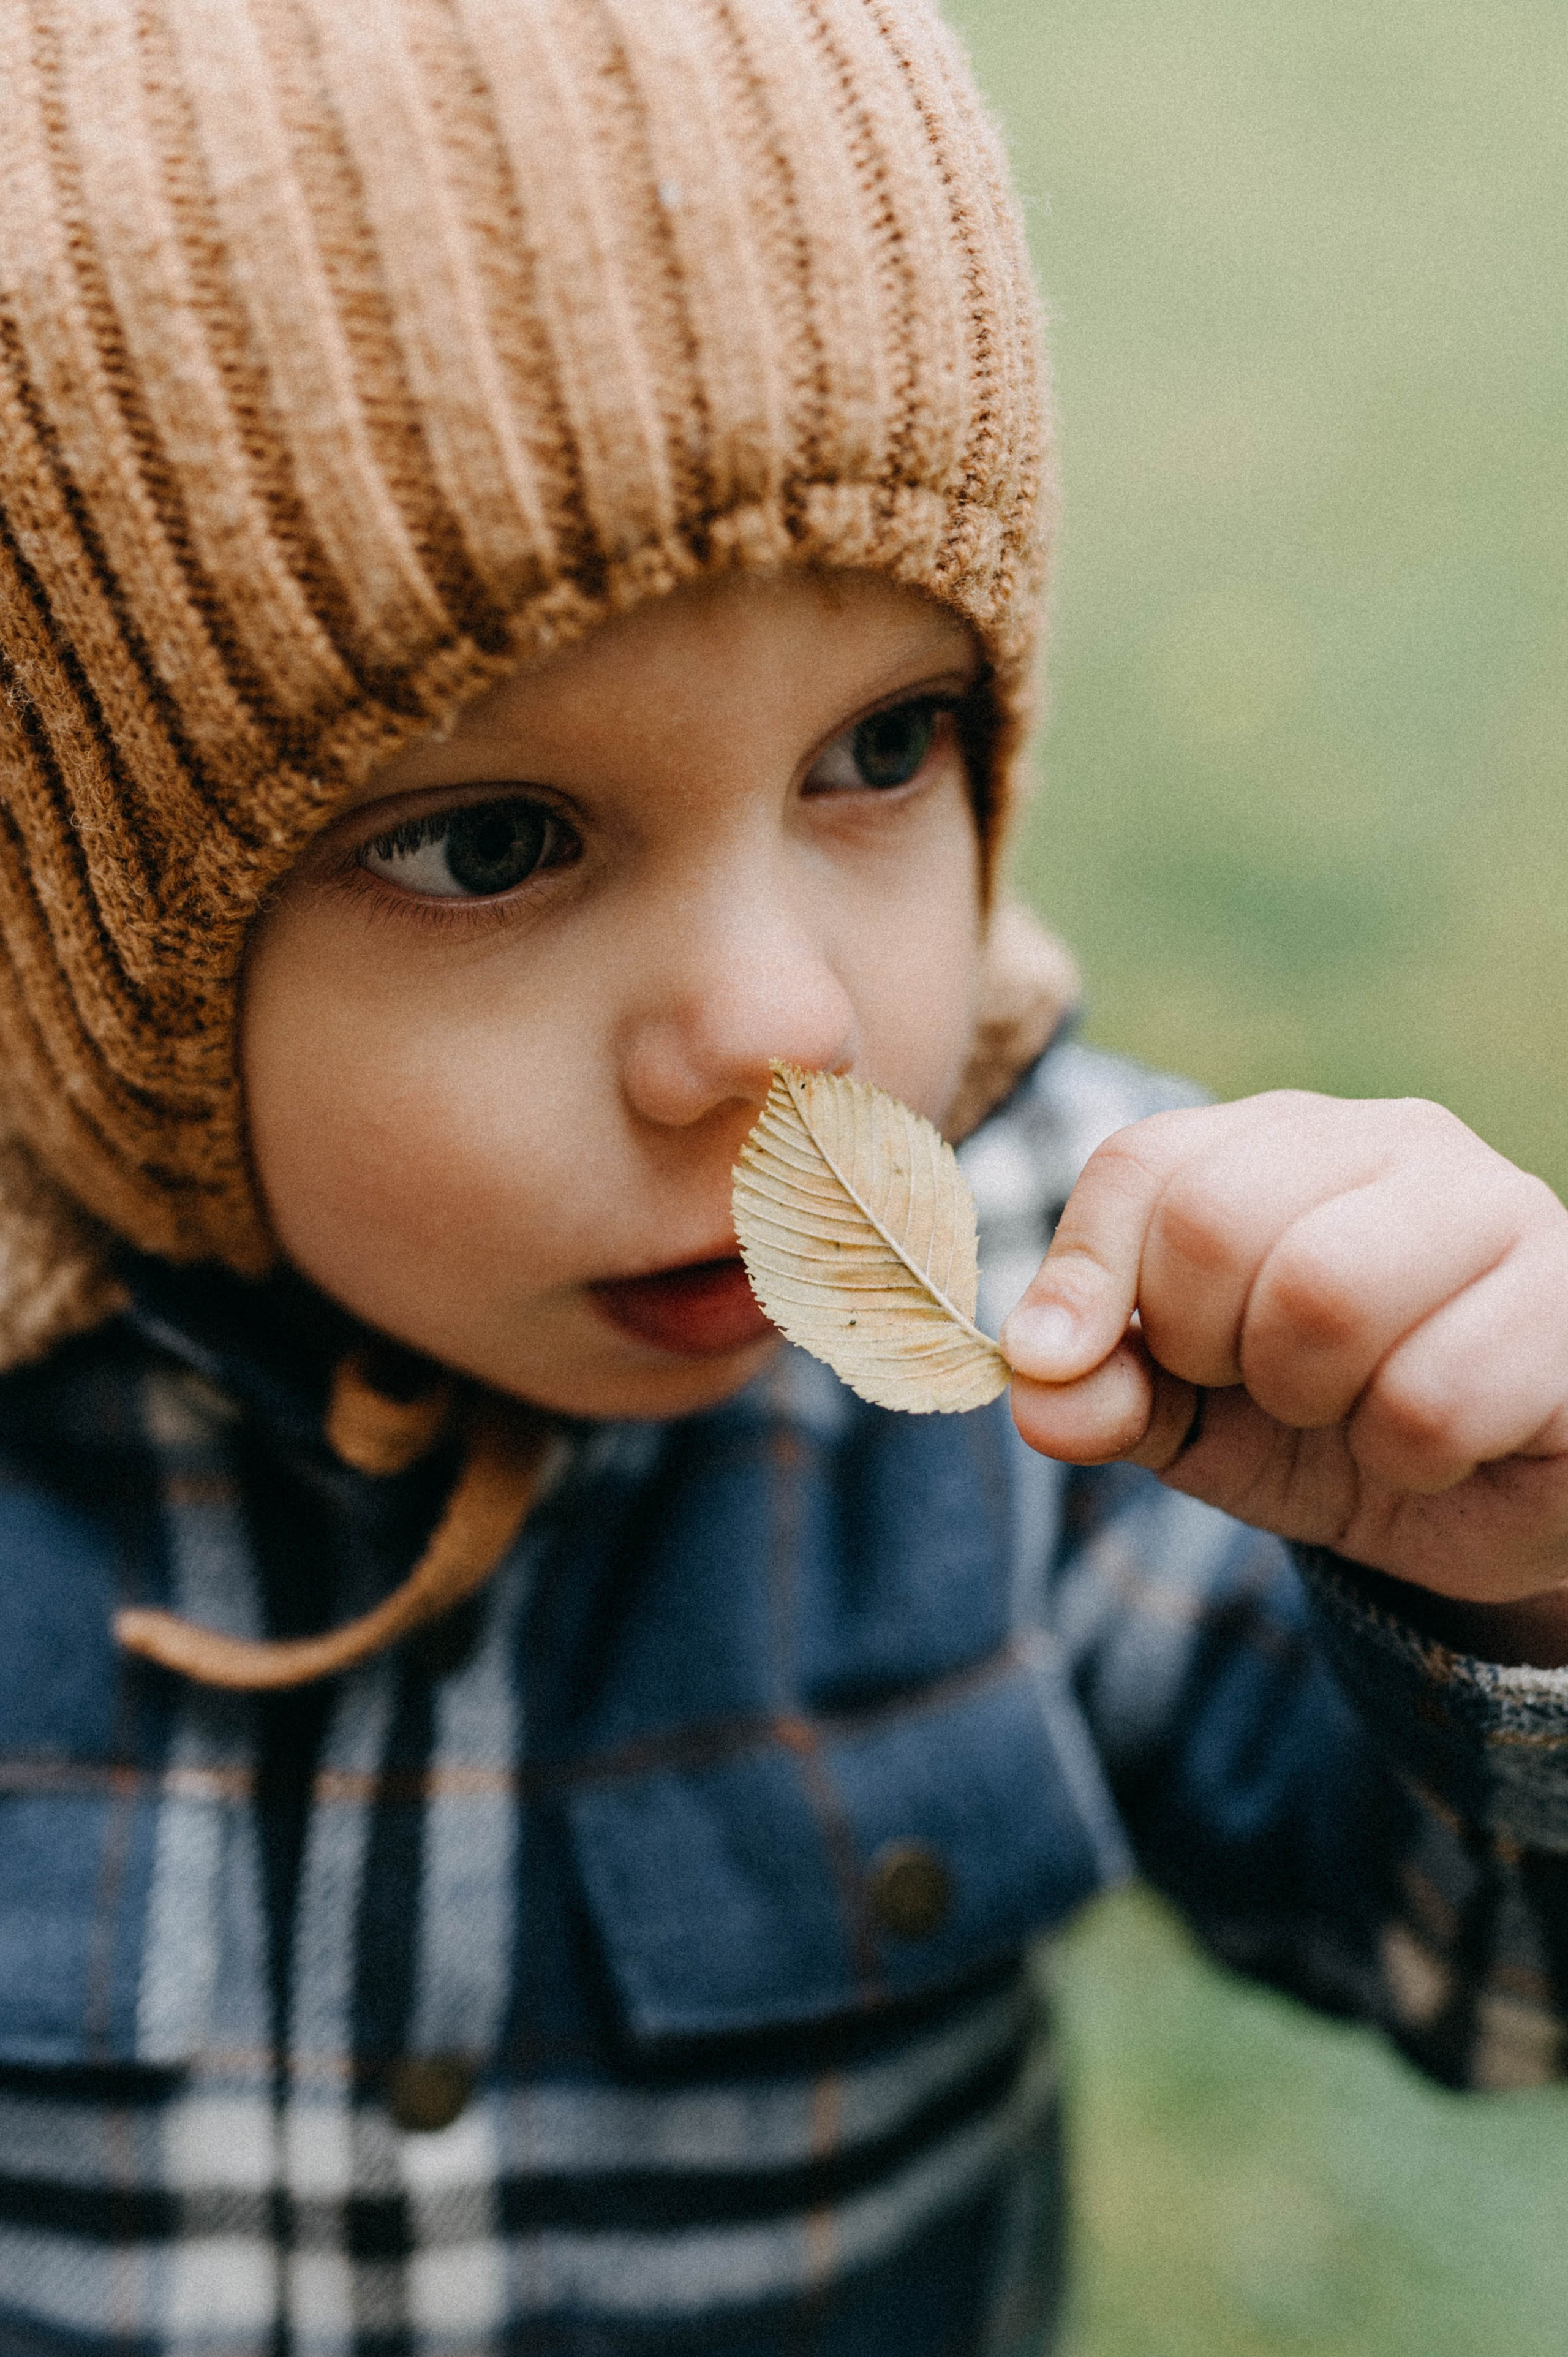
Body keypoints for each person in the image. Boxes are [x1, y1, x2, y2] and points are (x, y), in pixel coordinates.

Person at [0, 1, 1564, 2350]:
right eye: (491, 840)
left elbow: (1497, 1992)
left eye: (881, 746)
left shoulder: (1064, 1307)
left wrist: (1514, 1602)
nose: (785, 1027)